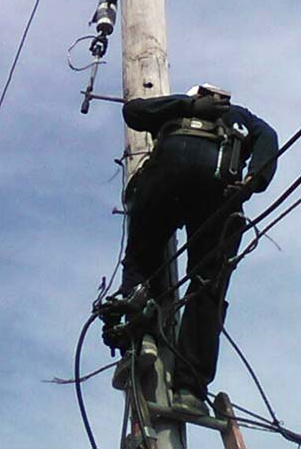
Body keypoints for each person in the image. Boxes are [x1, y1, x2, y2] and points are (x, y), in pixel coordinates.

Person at [117, 84, 278, 416]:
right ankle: (189, 388)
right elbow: (269, 137)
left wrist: (186, 106)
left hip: (168, 170)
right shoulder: (243, 118)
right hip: (219, 182)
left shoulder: (178, 107)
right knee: (208, 282)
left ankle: (142, 338)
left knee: (142, 257)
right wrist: (254, 180)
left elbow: (134, 111)